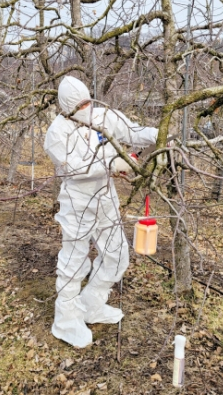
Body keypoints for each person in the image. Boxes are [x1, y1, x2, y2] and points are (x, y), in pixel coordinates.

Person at [44, 76, 158, 348]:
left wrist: (159, 135)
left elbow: (132, 131)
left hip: (105, 197)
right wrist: (113, 161)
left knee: (117, 255)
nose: (85, 107)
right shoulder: (57, 133)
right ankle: (66, 320)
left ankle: (92, 304)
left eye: (87, 101)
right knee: (74, 263)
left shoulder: (103, 116)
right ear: (66, 107)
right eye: (79, 105)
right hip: (77, 202)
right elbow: (75, 168)